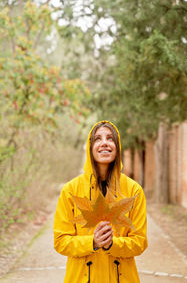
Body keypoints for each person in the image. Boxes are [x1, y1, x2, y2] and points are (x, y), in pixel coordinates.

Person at [53, 120, 148, 283]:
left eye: (110, 138)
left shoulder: (134, 191)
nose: (104, 143)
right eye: (98, 139)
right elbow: (61, 241)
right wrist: (92, 242)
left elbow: (140, 242)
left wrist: (113, 244)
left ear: (117, 147)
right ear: (90, 148)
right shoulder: (71, 191)